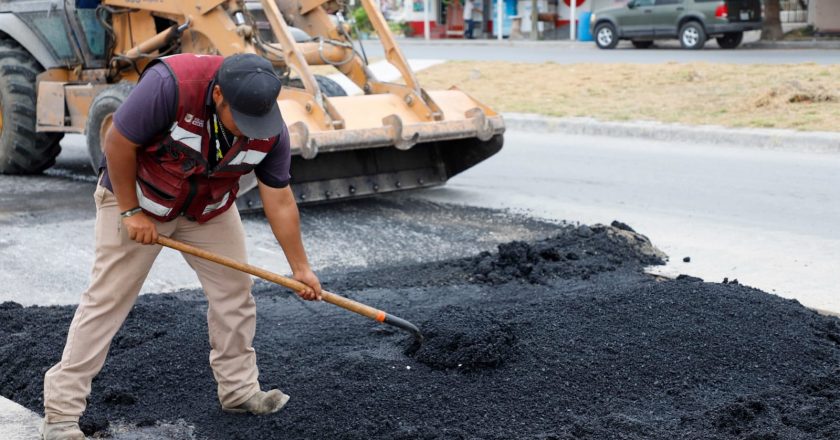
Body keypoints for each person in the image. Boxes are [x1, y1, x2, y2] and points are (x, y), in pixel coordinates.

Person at [40, 53, 322, 440]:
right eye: (241, 120)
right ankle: (60, 416)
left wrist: (300, 267)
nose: (249, 131)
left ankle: (239, 391)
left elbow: (280, 199)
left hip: (207, 209)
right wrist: (129, 212)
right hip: (139, 197)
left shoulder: (270, 128)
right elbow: (117, 142)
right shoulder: (171, 86)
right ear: (218, 94)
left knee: (235, 294)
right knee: (107, 300)